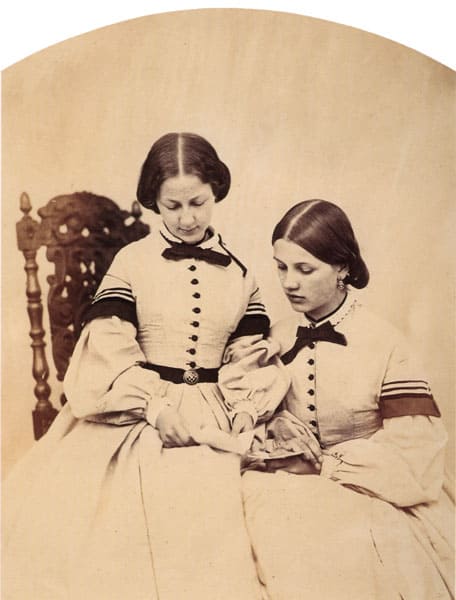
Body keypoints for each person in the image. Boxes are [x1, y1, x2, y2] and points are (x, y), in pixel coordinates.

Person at [4, 132, 288, 600]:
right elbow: (108, 344)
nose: (187, 218)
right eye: (172, 206)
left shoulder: (240, 273)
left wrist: (245, 408)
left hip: (216, 412)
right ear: (154, 201)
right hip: (138, 415)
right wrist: (154, 406)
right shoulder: (132, 262)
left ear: (216, 190)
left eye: (197, 203)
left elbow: (247, 351)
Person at [241, 199, 454, 599]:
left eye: (305, 269)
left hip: (373, 493)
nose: (289, 283)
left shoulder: (384, 342)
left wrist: (326, 466)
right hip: (281, 489)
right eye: (281, 267)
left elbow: (416, 454)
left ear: (342, 267)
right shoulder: (275, 339)